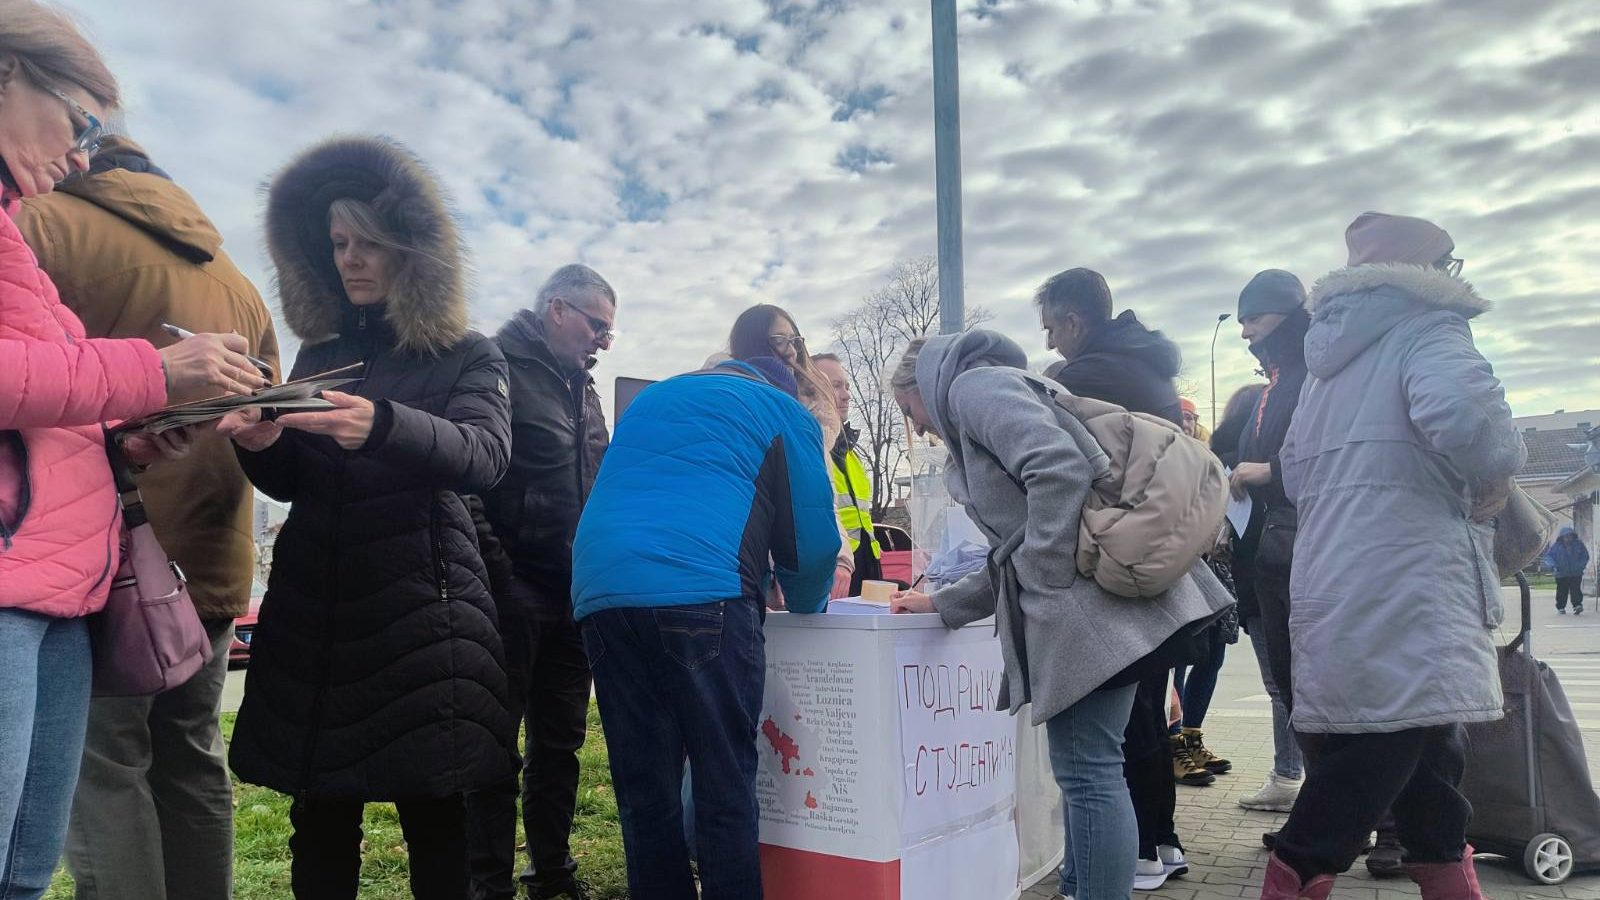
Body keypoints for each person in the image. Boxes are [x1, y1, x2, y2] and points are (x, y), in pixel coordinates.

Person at [0, 8, 268, 897]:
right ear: (8, 72)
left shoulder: (34, 231)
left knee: (72, 813)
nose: (77, 155)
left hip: (77, 577)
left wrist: (130, 437)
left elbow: (51, 400)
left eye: (92, 137)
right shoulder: (236, 279)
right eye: (75, 122)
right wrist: (156, 375)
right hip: (131, 568)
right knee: (186, 759)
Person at [217, 136, 516, 900]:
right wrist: (261, 443)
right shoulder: (318, 354)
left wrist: (382, 424)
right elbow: (296, 480)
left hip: (424, 619)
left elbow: (486, 455)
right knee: (319, 821)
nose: (349, 259)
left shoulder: (468, 354)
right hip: (319, 616)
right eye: (338, 243)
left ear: (410, 250)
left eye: (368, 243)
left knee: (437, 818)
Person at [888, 330, 1234, 900]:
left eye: (908, 409)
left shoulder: (973, 389)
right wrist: (945, 602)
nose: (918, 426)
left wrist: (1048, 576)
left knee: (1088, 771)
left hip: (1088, 617)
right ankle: (1079, 886)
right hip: (1104, 608)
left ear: (923, 382)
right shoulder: (1000, 389)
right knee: (1089, 769)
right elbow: (1016, 548)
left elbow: (1057, 470)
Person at [1264, 213, 1526, 900]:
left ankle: (1447, 878)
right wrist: (1496, 470)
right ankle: (1293, 878)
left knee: (1428, 752)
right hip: (1412, 576)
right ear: (1432, 271)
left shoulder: (1328, 365)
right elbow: (1467, 418)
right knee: (1377, 752)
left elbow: (1293, 469)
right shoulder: (1430, 328)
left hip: (1338, 569)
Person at [570, 356, 840, 900]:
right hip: (703, 593)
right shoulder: (784, 410)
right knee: (724, 785)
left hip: (602, 591)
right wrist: (806, 601)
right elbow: (811, 544)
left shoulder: (652, 400)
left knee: (645, 793)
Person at [1037, 268, 1204, 888]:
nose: (1050, 342)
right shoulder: (1148, 370)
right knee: (1143, 720)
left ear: (1073, 321)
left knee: (1096, 760)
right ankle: (1159, 841)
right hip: (1157, 565)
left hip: (1115, 569)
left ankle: (1135, 856)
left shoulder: (1086, 379)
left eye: (1052, 328)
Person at [465, 264, 615, 900]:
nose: (604, 340)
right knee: (493, 748)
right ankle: (487, 884)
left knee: (560, 745)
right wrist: (501, 574)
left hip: (571, 593)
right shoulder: (493, 366)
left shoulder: (585, 389)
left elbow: (597, 482)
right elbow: (466, 480)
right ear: (557, 309)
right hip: (512, 590)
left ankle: (552, 874)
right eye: (597, 325)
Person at [724, 304, 854, 599]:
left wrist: (841, 559)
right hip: (741, 574)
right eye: (779, 340)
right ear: (752, 341)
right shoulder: (773, 412)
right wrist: (806, 598)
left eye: (795, 341)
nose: (792, 351)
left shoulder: (808, 416)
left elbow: (821, 503)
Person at [811, 352, 884, 594]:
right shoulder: (811, 448)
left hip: (867, 566)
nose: (846, 395)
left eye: (847, 386)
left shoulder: (850, 453)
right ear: (811, 389)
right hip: (835, 570)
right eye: (836, 386)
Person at [1548, 527, 1590, 615]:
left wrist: (1580, 566)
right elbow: (1549, 557)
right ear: (1562, 537)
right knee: (1562, 590)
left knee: (1576, 589)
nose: (1568, 538)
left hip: (1576, 573)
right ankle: (1561, 607)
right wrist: (1554, 566)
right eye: (1566, 536)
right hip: (1561, 573)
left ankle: (1577, 605)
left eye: (1569, 536)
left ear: (1573, 536)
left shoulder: (1578, 544)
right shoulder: (1557, 546)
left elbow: (1585, 556)